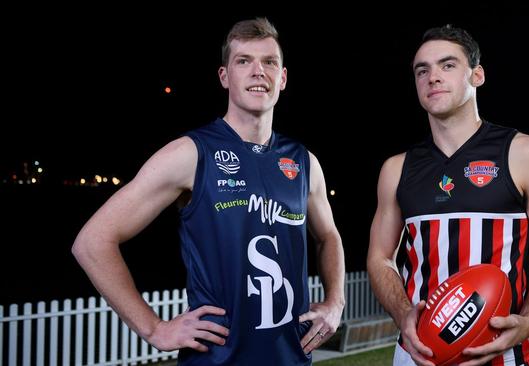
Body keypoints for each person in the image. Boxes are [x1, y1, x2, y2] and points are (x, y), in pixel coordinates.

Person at [72, 17, 345, 365]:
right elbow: (92, 242)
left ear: (283, 77)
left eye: (269, 62)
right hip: (216, 359)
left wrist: (335, 301)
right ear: (224, 76)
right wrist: (155, 329)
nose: (258, 72)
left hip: (291, 357)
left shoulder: (304, 162)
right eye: (243, 61)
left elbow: (329, 236)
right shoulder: (190, 154)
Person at [367, 24, 529, 366]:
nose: (433, 77)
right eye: (423, 70)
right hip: (417, 355)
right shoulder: (396, 169)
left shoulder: (526, 153)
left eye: (447, 65)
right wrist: (403, 314)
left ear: (477, 75)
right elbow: (379, 257)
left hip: (502, 354)